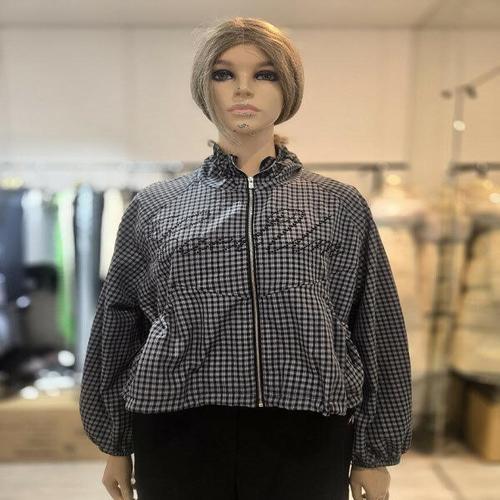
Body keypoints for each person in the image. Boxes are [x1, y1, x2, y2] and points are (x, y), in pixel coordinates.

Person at [79, 16, 412, 500]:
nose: (243, 89)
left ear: (287, 87)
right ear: (204, 86)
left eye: (264, 74)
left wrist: (373, 454)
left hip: (307, 428)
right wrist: (116, 443)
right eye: (223, 74)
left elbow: (376, 326)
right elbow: (118, 323)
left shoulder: (338, 204)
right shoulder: (156, 205)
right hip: (176, 426)